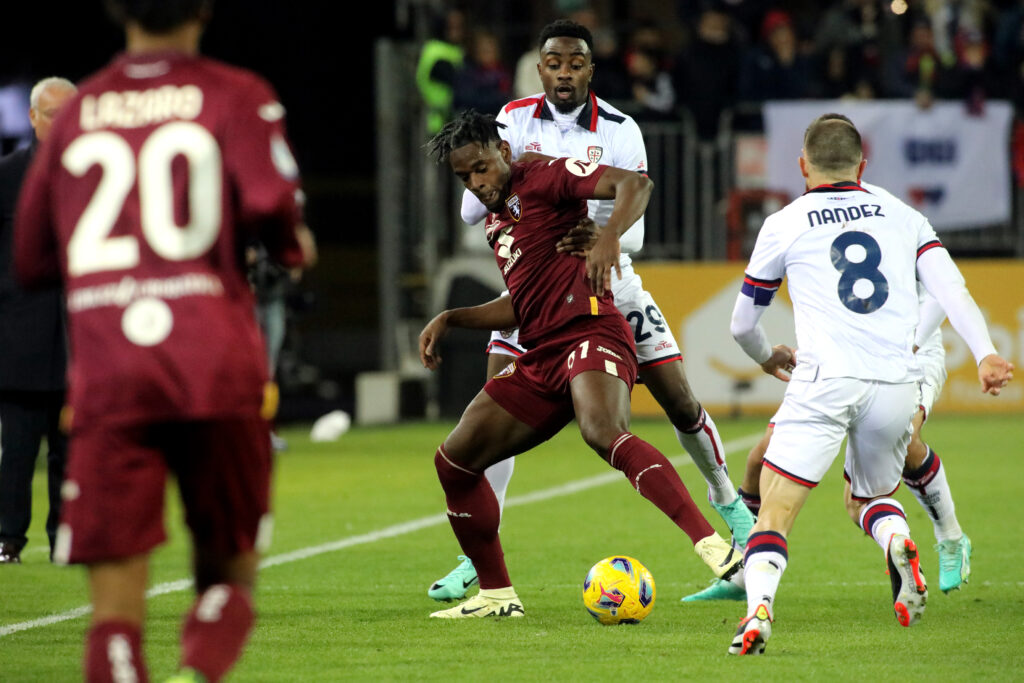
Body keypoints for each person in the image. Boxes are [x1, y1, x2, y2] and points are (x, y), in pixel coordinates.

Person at [14, 1, 310, 680]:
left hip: (111, 371)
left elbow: (31, 258)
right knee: (229, 572)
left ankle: (119, 659)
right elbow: (274, 211)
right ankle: (203, 651)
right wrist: (294, 244)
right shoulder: (236, 94)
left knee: (113, 615)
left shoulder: (78, 113)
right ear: (207, 8)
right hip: (214, 363)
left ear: (115, 9)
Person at [428, 18, 754, 604]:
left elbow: (635, 215)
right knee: (483, 422)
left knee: (676, 402)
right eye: (554, 62)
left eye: (575, 63)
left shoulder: (621, 130)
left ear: (589, 69)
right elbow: (477, 212)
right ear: (541, 68)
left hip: (608, 284)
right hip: (535, 297)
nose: (564, 73)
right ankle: (480, 562)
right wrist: (506, 200)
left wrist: (600, 240)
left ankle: (730, 514)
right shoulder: (510, 125)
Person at [726, 113, 1013, 655]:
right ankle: (900, 540)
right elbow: (950, 288)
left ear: (801, 165)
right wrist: (987, 353)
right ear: (864, 162)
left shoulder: (785, 221)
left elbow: (741, 324)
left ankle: (759, 608)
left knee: (777, 509)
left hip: (825, 379)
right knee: (871, 498)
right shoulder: (905, 216)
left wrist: (767, 357)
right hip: (894, 383)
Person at [719, 286, 973, 603]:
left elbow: (944, 286)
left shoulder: (911, 237)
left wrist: (930, 344)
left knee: (905, 442)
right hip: (843, 351)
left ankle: (950, 537)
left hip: (908, 348)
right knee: (761, 455)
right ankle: (742, 568)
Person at [0, 76, 76, 565]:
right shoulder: (5, 176)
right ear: (32, 118)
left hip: (77, 337)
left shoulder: (96, 174)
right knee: (18, 451)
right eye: (53, 114)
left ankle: (65, 538)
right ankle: (8, 538)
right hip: (19, 333)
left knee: (71, 452)